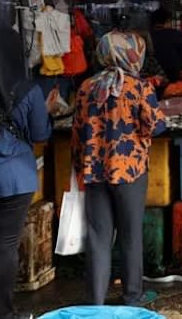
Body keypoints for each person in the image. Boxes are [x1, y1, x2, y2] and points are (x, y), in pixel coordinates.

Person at [72, 32, 166, 307]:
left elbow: (78, 131)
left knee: (99, 237)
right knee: (130, 234)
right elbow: (156, 127)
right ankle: (132, 298)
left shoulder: (86, 87)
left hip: (93, 172)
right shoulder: (139, 88)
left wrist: (82, 166)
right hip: (129, 173)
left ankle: (95, 303)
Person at [0, 27, 51, 319]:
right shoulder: (28, 89)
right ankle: (2, 314)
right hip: (14, 178)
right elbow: (40, 133)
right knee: (5, 245)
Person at [150, 9, 182, 83]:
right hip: (176, 80)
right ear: (168, 21)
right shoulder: (177, 35)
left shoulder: (148, 36)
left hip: (153, 81)